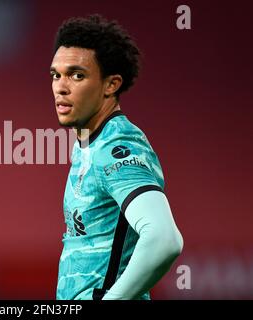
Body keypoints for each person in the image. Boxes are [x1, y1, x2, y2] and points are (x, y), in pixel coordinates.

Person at [50, 14, 183, 300]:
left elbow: (164, 239)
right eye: (56, 75)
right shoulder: (88, 144)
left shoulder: (118, 146)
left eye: (77, 75)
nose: (61, 86)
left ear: (111, 85)